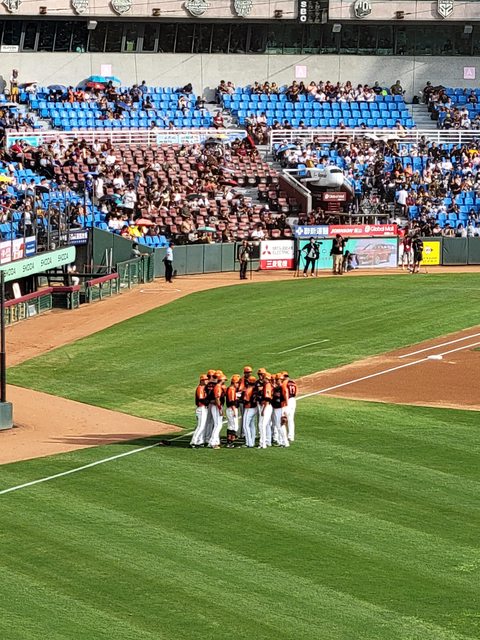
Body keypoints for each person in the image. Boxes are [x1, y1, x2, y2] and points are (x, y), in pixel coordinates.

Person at [208, 370, 227, 449]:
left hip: (216, 406)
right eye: (224, 380)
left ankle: (215, 441)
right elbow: (217, 399)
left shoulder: (218, 386)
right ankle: (212, 442)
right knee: (218, 425)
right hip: (216, 407)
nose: (225, 381)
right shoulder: (218, 387)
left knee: (218, 424)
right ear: (221, 380)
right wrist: (220, 409)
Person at [190, 374, 209, 448]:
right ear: (202, 381)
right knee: (200, 426)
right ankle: (193, 442)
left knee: (203, 426)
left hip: (204, 408)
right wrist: (210, 401)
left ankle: (199, 441)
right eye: (205, 380)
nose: (207, 381)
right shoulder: (200, 388)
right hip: (201, 409)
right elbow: (202, 399)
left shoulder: (204, 388)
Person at [271, 374, 289, 448]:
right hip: (276, 408)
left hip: (280, 408)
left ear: (281, 380)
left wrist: (285, 408)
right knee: (278, 426)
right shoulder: (277, 388)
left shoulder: (282, 387)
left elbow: (286, 396)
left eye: (277, 379)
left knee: (280, 425)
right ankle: (282, 442)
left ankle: (285, 442)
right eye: (276, 379)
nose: (276, 381)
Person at [241, 375, 258, 448]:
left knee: (245, 425)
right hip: (255, 408)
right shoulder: (255, 389)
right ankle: (252, 442)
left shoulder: (248, 390)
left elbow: (246, 401)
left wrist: (239, 399)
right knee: (252, 425)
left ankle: (249, 443)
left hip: (249, 408)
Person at [258, 372, 273, 449]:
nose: (262, 378)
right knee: (265, 425)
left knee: (262, 425)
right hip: (267, 406)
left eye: (264, 377)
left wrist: (263, 409)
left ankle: (263, 443)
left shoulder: (267, 386)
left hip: (266, 406)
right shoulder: (267, 385)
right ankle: (267, 442)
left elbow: (267, 399)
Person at [225, 374, 241, 448]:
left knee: (230, 425)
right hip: (232, 409)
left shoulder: (230, 388)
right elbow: (232, 401)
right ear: (234, 382)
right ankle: (231, 442)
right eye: (238, 383)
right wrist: (234, 410)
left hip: (230, 409)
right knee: (234, 426)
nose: (238, 385)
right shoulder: (231, 389)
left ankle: (229, 442)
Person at [283, 372, 297, 442]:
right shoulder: (293, 382)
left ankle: (283, 436)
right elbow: (296, 392)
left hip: (288, 400)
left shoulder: (285, 382)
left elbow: (285, 392)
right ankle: (291, 437)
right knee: (291, 419)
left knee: (283, 418)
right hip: (293, 400)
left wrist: (286, 402)